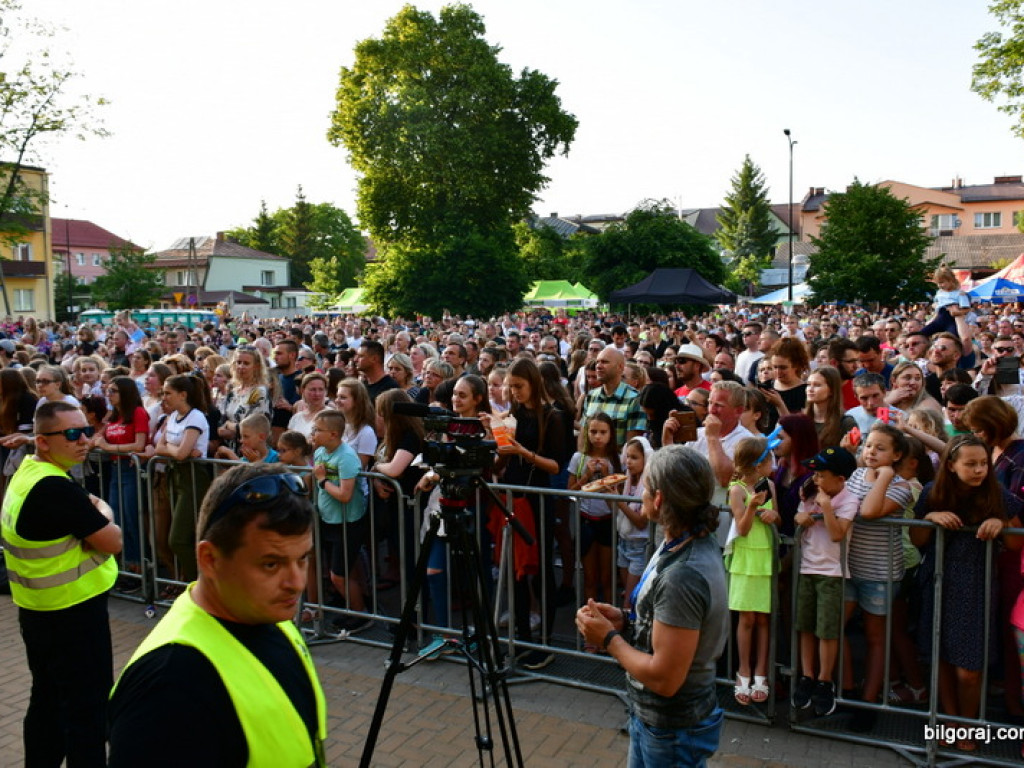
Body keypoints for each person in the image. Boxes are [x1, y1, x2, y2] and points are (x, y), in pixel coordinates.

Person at [107, 463, 327, 767]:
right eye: (271, 565)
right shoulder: (166, 688)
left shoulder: (269, 616)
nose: (297, 583)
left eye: (302, 559)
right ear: (210, 559)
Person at [575, 444, 728, 768]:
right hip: (656, 722)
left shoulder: (683, 574)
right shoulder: (680, 540)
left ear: (658, 499)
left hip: (672, 730)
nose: (640, 490)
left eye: (645, 484)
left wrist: (608, 640)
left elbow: (665, 677)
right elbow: (673, 625)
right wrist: (627, 621)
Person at [2, 401, 122, 767]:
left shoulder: (30, 472)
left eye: (86, 431)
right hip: (73, 615)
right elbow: (113, 540)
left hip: (40, 612)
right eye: (71, 434)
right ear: (42, 441)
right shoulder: (55, 487)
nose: (84, 440)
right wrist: (101, 510)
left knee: (48, 700)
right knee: (86, 711)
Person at [726, 437, 779, 707]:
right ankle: (743, 670)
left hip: (766, 556)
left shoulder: (770, 485)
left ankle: (762, 671)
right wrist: (753, 506)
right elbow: (743, 528)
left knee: (763, 619)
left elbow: (777, 516)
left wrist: (773, 516)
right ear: (757, 465)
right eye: (769, 460)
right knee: (746, 618)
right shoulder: (736, 489)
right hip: (746, 558)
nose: (773, 465)